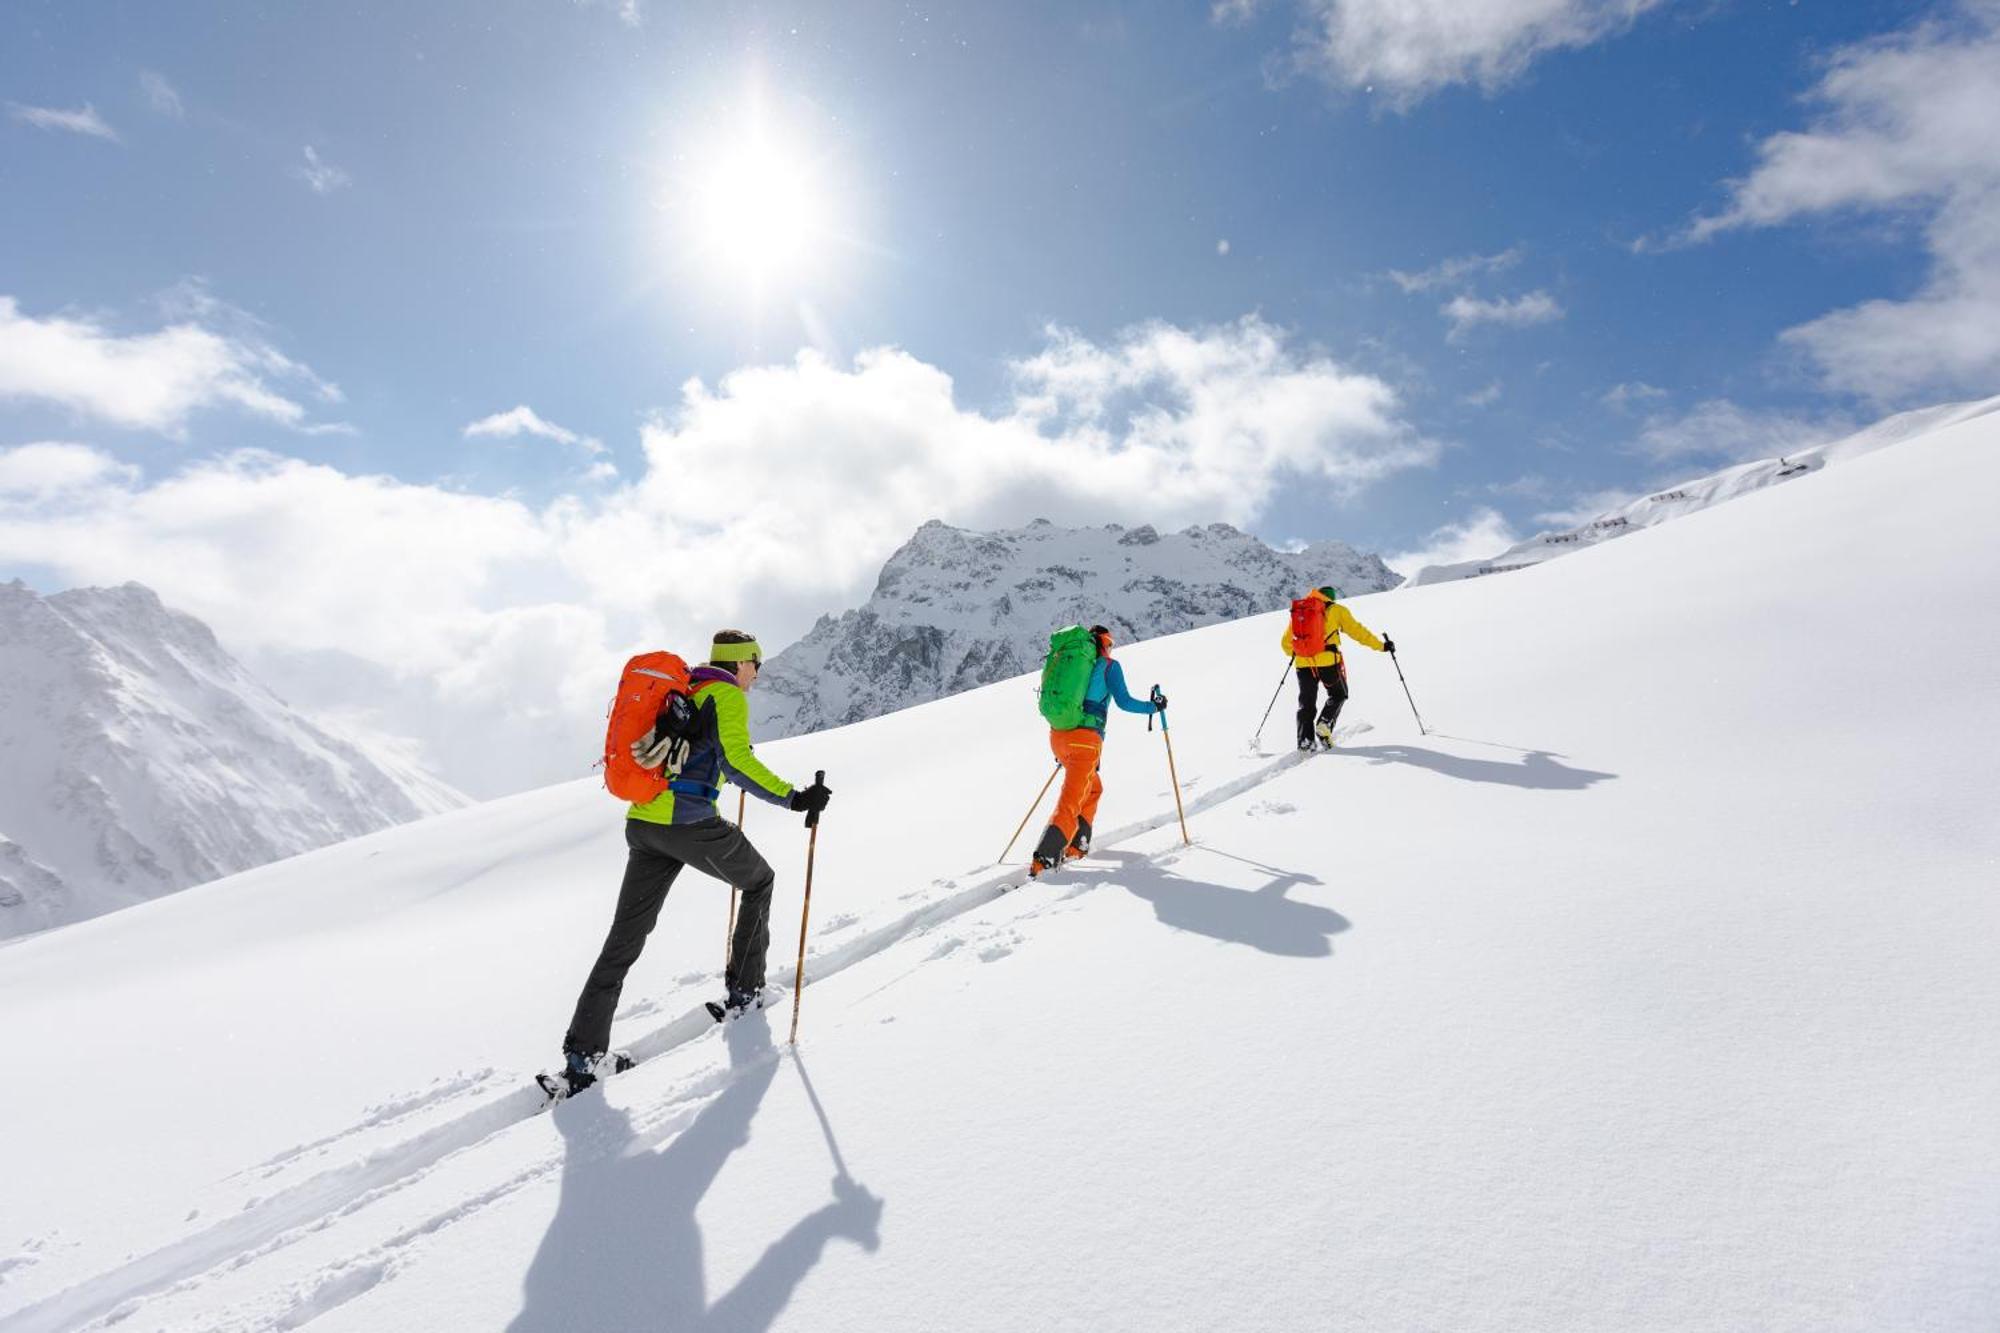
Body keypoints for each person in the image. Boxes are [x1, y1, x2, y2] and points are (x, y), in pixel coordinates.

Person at [557, 629, 832, 1096]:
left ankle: (583, 1058)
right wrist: (794, 798)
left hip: (644, 825)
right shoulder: (725, 696)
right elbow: (737, 762)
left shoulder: (688, 690)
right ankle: (745, 994)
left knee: (624, 938)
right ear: (740, 662)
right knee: (760, 881)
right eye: (755, 663)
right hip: (687, 825)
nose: (758, 673)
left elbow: (707, 759)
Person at [1029, 624, 1163, 877]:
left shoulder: (1076, 662)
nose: (1111, 648)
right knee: (1071, 800)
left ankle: (1077, 845)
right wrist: (1154, 707)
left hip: (1059, 736)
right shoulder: (1109, 666)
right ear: (1104, 643)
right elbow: (1125, 702)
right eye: (1111, 644)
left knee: (1092, 788)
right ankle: (1043, 863)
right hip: (1085, 741)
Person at [1282, 586, 1394, 750]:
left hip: (1303, 664)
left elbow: (1285, 643)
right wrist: (1381, 646)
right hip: (1328, 661)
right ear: (1330, 598)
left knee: (1306, 704)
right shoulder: (1337, 610)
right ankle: (1324, 724)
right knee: (1339, 694)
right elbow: (1358, 632)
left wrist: (1301, 652)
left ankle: (1305, 742)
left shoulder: (1301, 612)